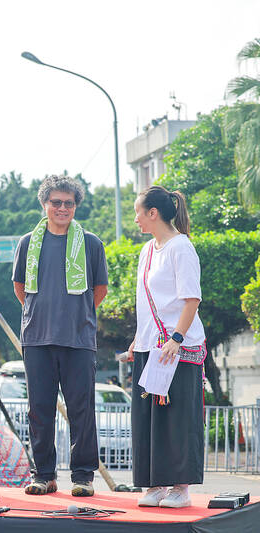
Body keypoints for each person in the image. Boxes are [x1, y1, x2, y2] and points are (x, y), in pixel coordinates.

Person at [12, 175, 108, 497]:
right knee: (39, 410)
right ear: (44, 204)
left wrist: (76, 315)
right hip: (36, 338)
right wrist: (43, 313)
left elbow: (99, 290)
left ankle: (83, 477)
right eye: (56, 202)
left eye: (69, 203)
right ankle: (44, 475)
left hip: (79, 340)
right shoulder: (27, 243)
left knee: (82, 411)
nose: (63, 208)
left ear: (76, 206)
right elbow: (20, 288)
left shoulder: (91, 243)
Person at [125, 186, 206, 509]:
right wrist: (137, 339)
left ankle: (180, 488)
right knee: (148, 418)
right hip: (150, 347)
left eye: (138, 212)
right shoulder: (147, 250)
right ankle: (156, 485)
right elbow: (145, 301)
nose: (136, 219)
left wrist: (177, 338)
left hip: (176, 348)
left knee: (176, 417)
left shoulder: (181, 248)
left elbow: (191, 298)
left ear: (153, 213)